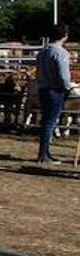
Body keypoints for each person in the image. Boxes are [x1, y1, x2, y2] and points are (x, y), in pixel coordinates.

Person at [35, 23, 75, 165]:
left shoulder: (42, 51)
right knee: (50, 122)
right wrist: (67, 87)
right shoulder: (61, 52)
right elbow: (64, 75)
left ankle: (44, 152)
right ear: (65, 36)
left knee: (46, 121)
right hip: (55, 90)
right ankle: (43, 154)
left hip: (42, 88)